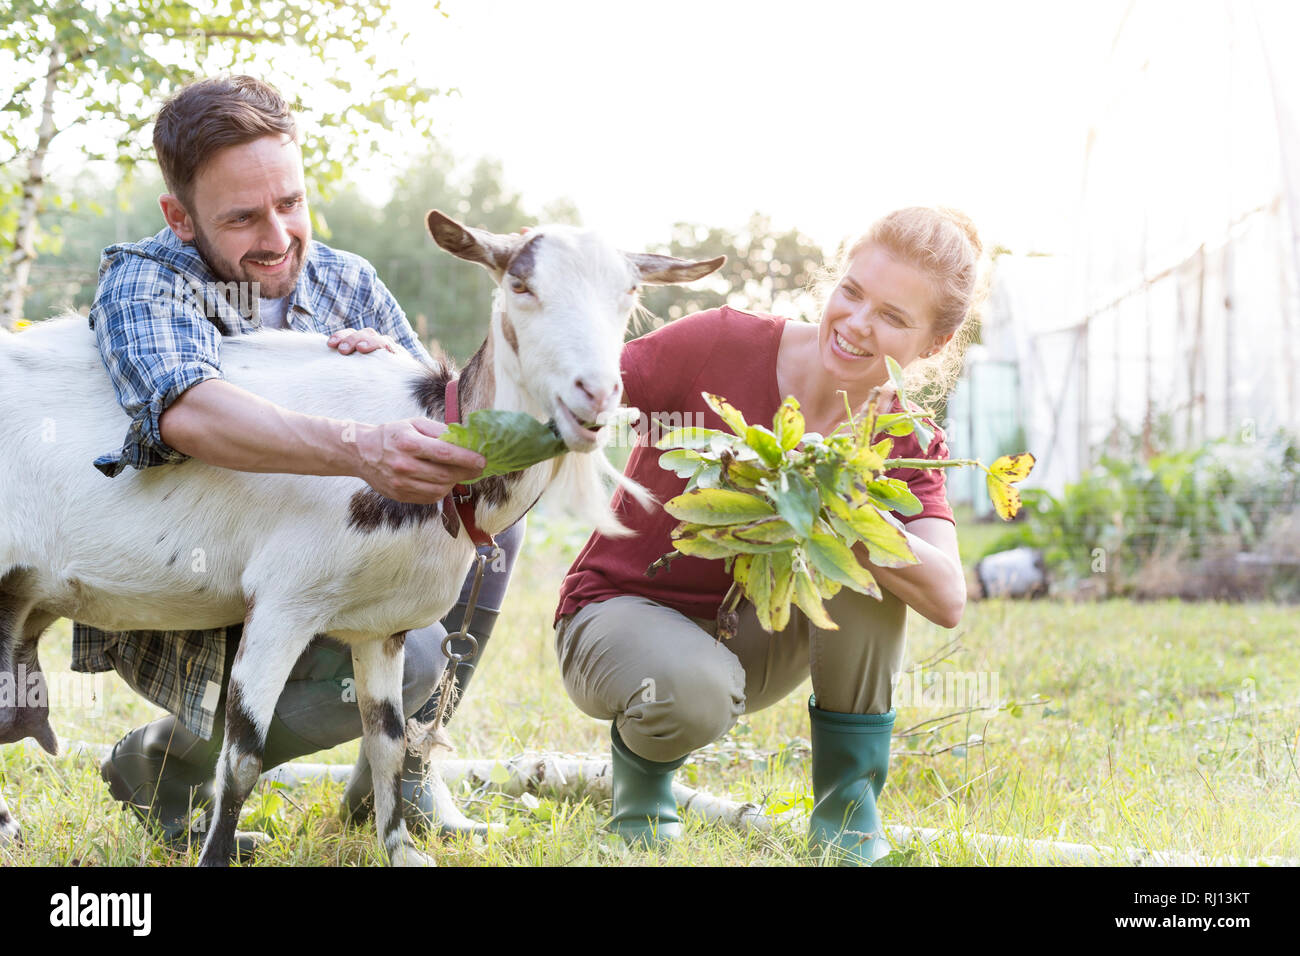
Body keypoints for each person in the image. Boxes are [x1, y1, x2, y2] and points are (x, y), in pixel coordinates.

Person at [74, 74, 517, 856]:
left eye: (290, 203)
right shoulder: (143, 279)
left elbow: (441, 452)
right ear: (180, 217)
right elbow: (188, 410)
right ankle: (167, 759)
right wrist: (359, 442)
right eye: (242, 217)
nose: (277, 236)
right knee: (404, 661)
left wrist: (400, 384)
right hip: (200, 604)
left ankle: (405, 766)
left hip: (331, 571)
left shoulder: (350, 282)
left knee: (485, 523)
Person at [553, 206, 981, 864]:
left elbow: (947, 596)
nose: (857, 325)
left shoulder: (905, 441)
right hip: (617, 618)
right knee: (692, 688)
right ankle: (641, 800)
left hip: (751, 642)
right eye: (852, 293)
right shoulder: (718, 344)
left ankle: (846, 820)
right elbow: (579, 385)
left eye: (893, 317)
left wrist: (837, 503)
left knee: (877, 557)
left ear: (932, 346)